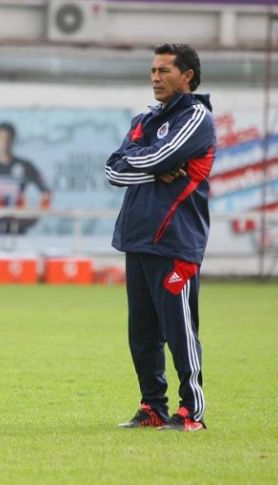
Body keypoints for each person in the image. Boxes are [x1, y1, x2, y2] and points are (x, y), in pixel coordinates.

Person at [105, 43, 216, 432]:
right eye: (153, 70)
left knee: (180, 332)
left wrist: (149, 160)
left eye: (165, 70)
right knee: (143, 336)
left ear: (187, 76)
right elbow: (113, 170)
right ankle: (153, 406)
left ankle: (192, 413)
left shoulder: (197, 116)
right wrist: (154, 167)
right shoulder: (144, 119)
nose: (155, 77)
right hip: (137, 240)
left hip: (175, 243)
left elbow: (154, 156)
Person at [0, 122, 51, 234]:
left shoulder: (26, 166)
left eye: (8, 139)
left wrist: (33, 218)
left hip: (17, 227)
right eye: (1, 138)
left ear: (13, 140)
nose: (5, 143)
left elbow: (45, 192)